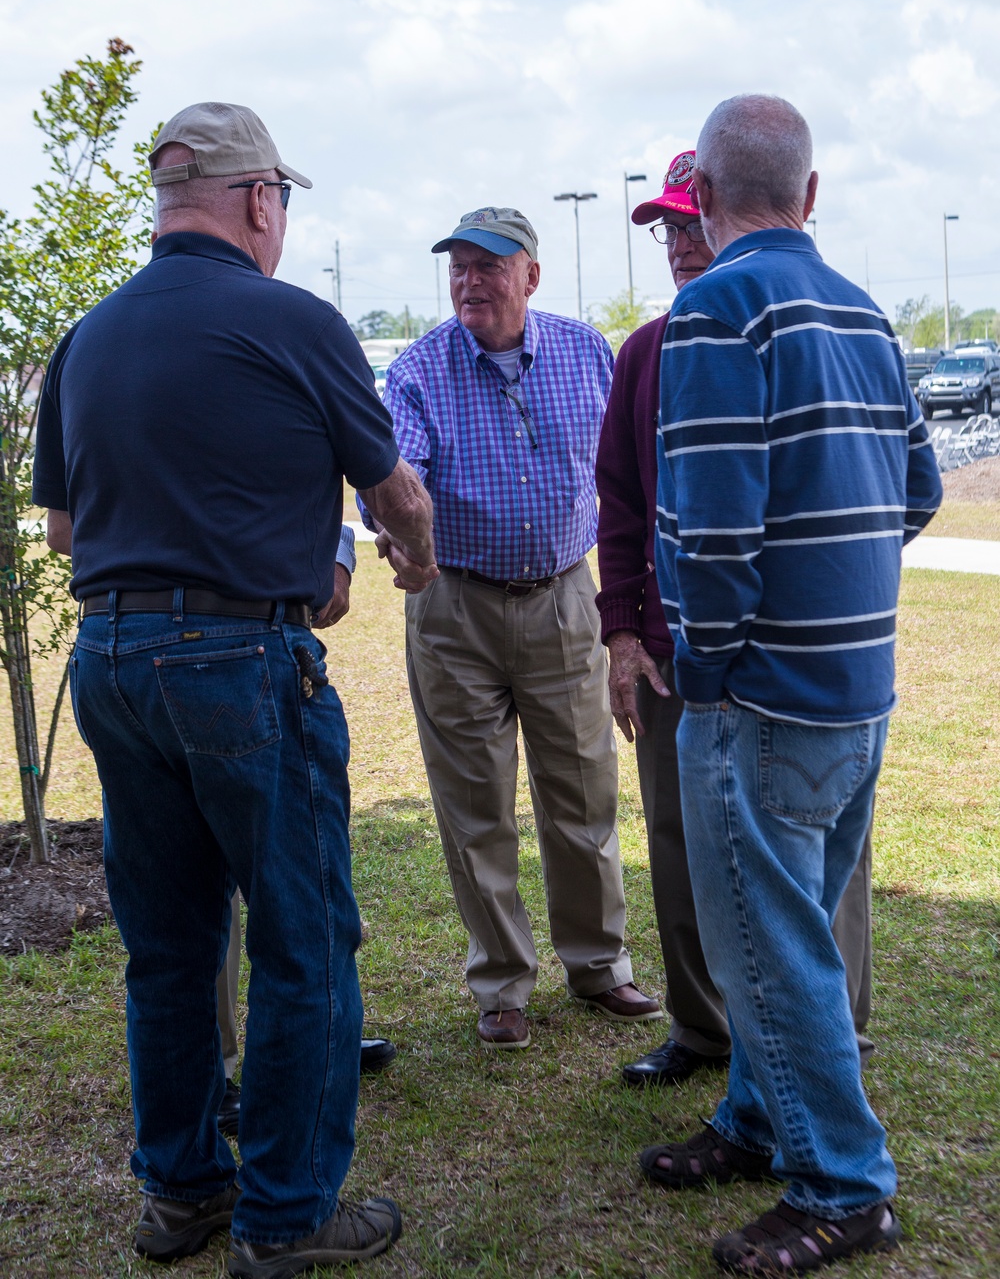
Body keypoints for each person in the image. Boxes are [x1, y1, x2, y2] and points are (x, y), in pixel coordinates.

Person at [33, 101, 437, 1275]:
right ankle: (287, 1212)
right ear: (260, 199)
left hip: (109, 661)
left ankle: (181, 1193)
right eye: (283, 204)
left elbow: (63, 527)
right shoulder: (295, 320)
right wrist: (404, 559)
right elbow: (395, 493)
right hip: (239, 663)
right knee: (304, 936)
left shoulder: (87, 336)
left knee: (165, 945)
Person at [637, 96, 941, 1274]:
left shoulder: (714, 305)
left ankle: (844, 1185)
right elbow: (915, 489)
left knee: (772, 948)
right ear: (808, 197)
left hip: (759, 696)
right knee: (793, 929)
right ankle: (760, 1122)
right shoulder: (865, 311)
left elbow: (710, 533)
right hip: (856, 685)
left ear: (702, 201)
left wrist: (706, 670)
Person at [596, 152, 874, 1088]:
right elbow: (623, 507)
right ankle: (707, 1030)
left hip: (769, 667)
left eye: (687, 221)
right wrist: (624, 635)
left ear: (719, 210)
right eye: (662, 230)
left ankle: (832, 1028)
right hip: (682, 659)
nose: (679, 244)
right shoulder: (644, 352)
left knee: (814, 860)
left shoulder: (802, 325)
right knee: (679, 844)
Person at [374, 206, 660, 1050]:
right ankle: (500, 983)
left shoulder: (585, 353)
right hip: (452, 605)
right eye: (458, 267)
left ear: (530, 275)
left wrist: (629, 609)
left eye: (489, 266)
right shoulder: (420, 369)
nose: (471, 282)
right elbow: (396, 473)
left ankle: (600, 964)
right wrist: (402, 536)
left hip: (564, 596)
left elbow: (626, 477)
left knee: (582, 790)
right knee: (473, 805)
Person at [215, 525, 397, 1144]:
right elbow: (65, 529)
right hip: (226, 644)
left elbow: (332, 482)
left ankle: (316, 1047)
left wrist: (337, 556)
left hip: (267, 638)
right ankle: (232, 1079)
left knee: (300, 870)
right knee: (259, 893)